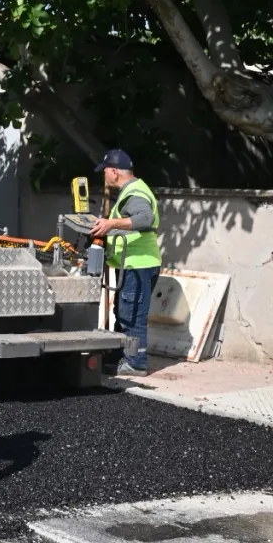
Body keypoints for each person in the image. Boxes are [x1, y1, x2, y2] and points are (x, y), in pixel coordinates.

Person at [89, 149, 160, 377]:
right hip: (133, 265)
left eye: (105, 172)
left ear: (114, 172)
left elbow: (145, 218)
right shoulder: (133, 189)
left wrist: (110, 224)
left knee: (133, 315)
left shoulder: (135, 193)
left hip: (137, 265)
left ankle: (136, 362)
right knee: (124, 312)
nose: (105, 177)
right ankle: (121, 357)